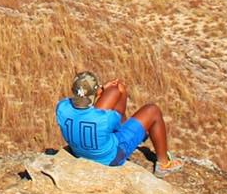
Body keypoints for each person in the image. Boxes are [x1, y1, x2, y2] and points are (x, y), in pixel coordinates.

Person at [56, 70, 184, 176]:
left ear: (71, 89)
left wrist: (103, 90)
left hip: (80, 153)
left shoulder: (62, 108)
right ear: (97, 93)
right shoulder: (106, 118)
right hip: (111, 157)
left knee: (114, 91)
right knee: (152, 110)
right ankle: (164, 164)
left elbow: (87, 109)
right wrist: (119, 92)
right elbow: (119, 114)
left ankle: (138, 132)